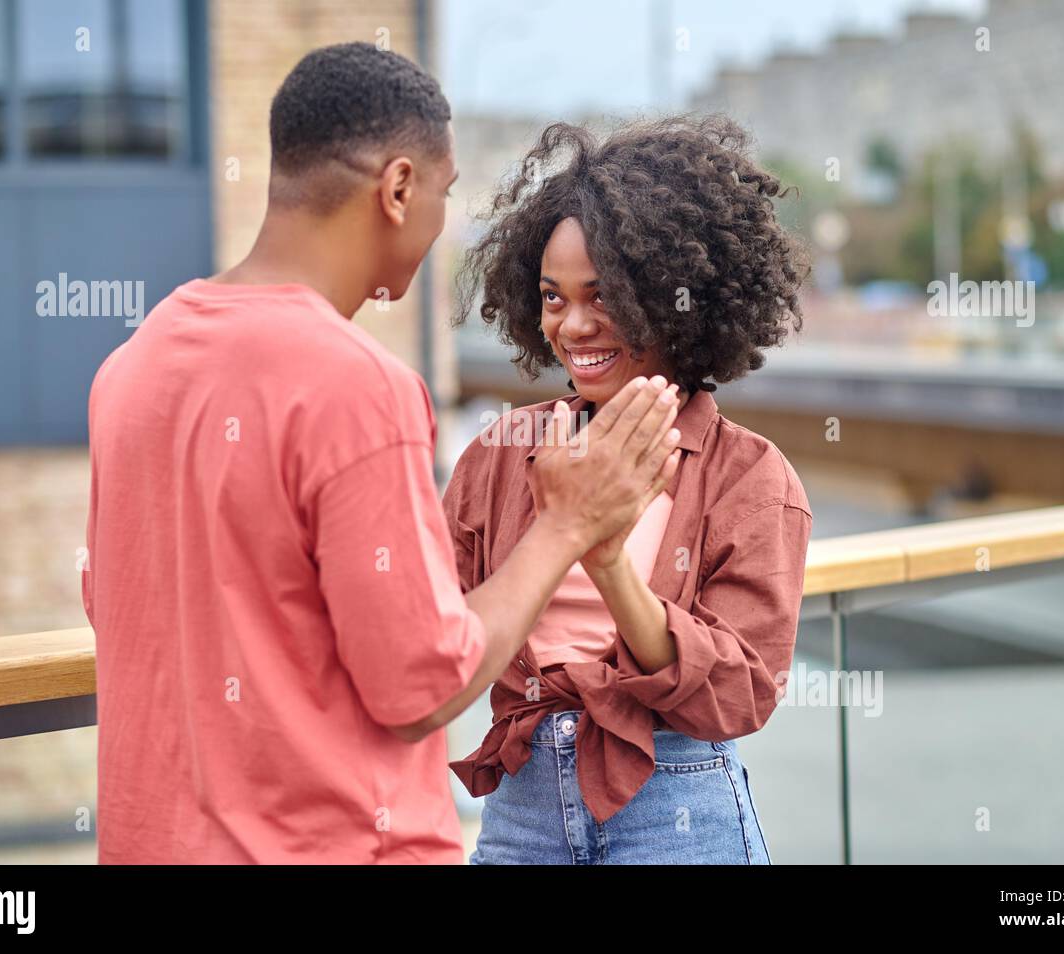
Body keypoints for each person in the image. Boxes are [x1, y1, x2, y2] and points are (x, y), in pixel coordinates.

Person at [82, 42, 680, 864]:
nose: (444, 223)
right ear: (399, 188)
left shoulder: (130, 369)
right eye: (446, 191)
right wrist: (567, 525)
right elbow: (420, 684)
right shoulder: (358, 385)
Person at [445, 116, 813, 864]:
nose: (574, 325)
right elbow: (425, 640)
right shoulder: (495, 457)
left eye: (604, 294)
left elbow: (743, 692)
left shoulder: (752, 477)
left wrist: (610, 565)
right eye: (553, 297)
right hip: (521, 807)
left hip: (677, 804)